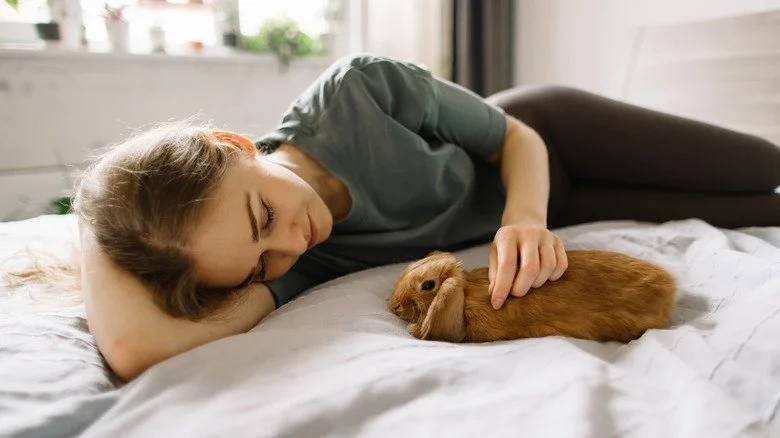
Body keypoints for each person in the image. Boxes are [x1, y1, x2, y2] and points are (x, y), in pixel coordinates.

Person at [75, 53, 780, 382]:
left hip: (547, 142)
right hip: (572, 207)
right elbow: (140, 350)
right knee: (761, 211)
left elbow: (514, 138)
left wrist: (524, 220)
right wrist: (95, 216)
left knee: (760, 166)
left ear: (231, 143)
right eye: (260, 266)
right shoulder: (306, 262)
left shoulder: (356, 94)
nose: (289, 246)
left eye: (264, 214)